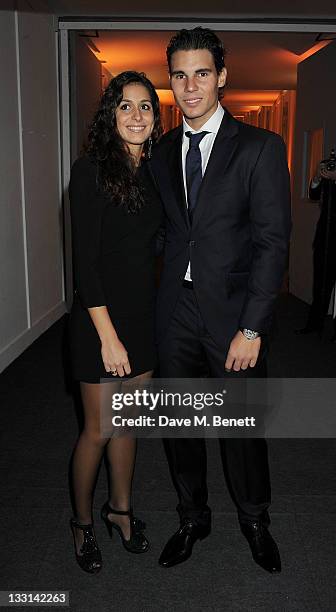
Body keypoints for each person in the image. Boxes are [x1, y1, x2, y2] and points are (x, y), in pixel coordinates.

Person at [149, 28, 291, 573]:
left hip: (234, 316)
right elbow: (167, 233)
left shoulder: (259, 147)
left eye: (201, 73)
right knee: (180, 426)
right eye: (180, 74)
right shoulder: (162, 152)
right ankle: (192, 517)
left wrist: (252, 328)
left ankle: (255, 520)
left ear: (222, 77)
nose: (189, 86)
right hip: (174, 314)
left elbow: (272, 244)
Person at [68, 71, 163, 573]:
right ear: (110, 114)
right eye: (125, 106)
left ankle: (120, 511)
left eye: (145, 106)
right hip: (99, 321)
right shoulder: (89, 171)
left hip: (142, 317)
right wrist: (109, 338)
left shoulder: (155, 172)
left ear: (155, 115)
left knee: (130, 425)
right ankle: (81, 523)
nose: (136, 116)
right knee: (99, 430)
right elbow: (85, 265)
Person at [295, 134, 336, 342]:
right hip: (325, 240)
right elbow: (314, 196)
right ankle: (313, 324)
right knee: (319, 287)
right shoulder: (330, 171)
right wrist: (318, 179)